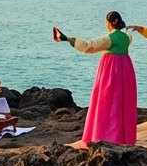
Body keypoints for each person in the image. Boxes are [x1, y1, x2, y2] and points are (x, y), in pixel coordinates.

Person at [55, 11, 138, 146]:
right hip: (126, 70)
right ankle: (123, 137)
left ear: (113, 22)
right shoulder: (127, 37)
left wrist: (68, 39)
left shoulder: (109, 39)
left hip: (111, 70)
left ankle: (106, 135)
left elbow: (89, 47)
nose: (106, 25)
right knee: (123, 103)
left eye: (106, 22)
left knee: (107, 102)